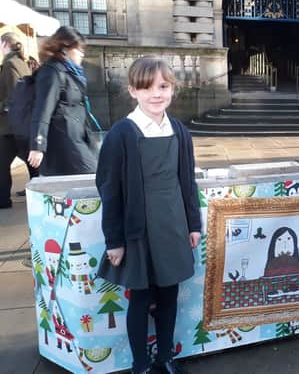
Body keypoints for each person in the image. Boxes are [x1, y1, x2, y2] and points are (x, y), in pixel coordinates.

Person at [96, 56, 201, 374]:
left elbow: (187, 180)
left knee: (169, 295)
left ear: (172, 89)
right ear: (133, 91)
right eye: (147, 88)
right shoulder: (121, 134)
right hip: (137, 230)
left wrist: (193, 224)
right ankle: (140, 364)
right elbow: (109, 189)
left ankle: (165, 356)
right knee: (140, 300)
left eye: (163, 86)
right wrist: (114, 240)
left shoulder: (180, 131)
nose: (157, 94)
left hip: (171, 225)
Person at [27, 26, 98, 175]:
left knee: (94, 175)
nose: (82, 54)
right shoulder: (52, 71)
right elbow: (42, 109)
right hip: (64, 139)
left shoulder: (70, 71)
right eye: (78, 50)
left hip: (78, 135)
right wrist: (38, 145)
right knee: (90, 176)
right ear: (65, 49)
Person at [0, 32, 38, 209]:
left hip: (10, 126)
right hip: (21, 125)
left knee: (2, 165)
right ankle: (40, 194)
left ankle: (3, 200)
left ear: (4, 44)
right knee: (32, 163)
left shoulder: (9, 64)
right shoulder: (23, 62)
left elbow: (15, 97)